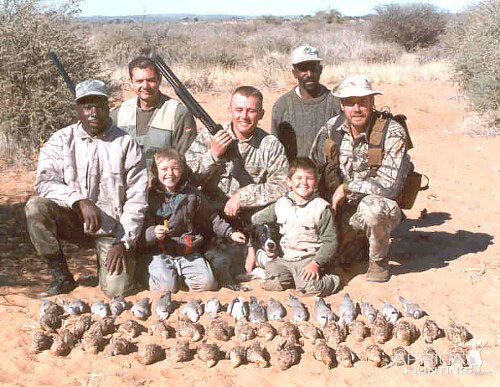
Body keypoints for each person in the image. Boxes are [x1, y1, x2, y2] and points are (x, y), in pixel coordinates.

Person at [25, 79, 148, 297]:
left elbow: (137, 199)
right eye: (86, 106)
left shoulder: (126, 144)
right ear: (77, 110)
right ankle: (61, 276)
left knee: (116, 291)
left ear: (108, 107)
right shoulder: (61, 139)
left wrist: (123, 241)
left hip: (113, 229)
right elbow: (44, 182)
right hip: (73, 221)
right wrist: (79, 200)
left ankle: (117, 262)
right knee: (35, 207)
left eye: (99, 106)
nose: (93, 112)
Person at [310, 75, 411, 282]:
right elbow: (314, 164)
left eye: (363, 102)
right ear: (341, 105)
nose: (356, 109)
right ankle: (354, 243)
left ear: (372, 102)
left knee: (371, 209)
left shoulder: (392, 132)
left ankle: (378, 262)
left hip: (379, 207)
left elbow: (389, 186)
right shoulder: (332, 128)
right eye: (349, 103)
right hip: (342, 210)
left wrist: (347, 188)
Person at [185, 86, 289, 286]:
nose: (244, 116)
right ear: (230, 110)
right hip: (212, 215)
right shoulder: (208, 137)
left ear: (261, 114)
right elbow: (187, 178)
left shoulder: (270, 144)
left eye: (251, 110)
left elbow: (282, 185)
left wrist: (243, 196)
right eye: (239, 110)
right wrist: (213, 155)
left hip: (251, 216)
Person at [139, 148, 246, 293]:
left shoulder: (192, 194)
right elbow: (140, 230)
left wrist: (230, 232)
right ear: (155, 171)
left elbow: (211, 218)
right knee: (166, 288)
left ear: (182, 170)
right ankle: (145, 275)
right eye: (164, 169)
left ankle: (177, 275)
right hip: (159, 252)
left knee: (207, 284)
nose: (170, 173)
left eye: (175, 168)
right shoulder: (149, 196)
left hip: (186, 250)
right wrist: (153, 232)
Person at [251, 158, 340, 296]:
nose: (303, 182)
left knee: (311, 290)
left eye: (309, 178)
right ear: (289, 182)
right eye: (298, 178)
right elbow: (256, 219)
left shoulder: (321, 208)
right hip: (286, 258)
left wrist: (316, 263)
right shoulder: (281, 204)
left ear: (316, 182)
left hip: (309, 259)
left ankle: (333, 280)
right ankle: (296, 278)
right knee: (272, 283)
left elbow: (330, 241)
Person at [110, 56, 196, 171]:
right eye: (139, 81)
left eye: (150, 80)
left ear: (159, 79)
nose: (145, 86)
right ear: (131, 82)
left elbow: (186, 161)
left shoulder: (178, 113)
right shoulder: (118, 113)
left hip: (163, 186)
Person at [271, 45, 341, 161]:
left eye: (313, 68)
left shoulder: (336, 103)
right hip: (295, 177)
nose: (309, 74)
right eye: (303, 68)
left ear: (320, 70)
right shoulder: (282, 106)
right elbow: (275, 150)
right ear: (294, 73)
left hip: (329, 176)